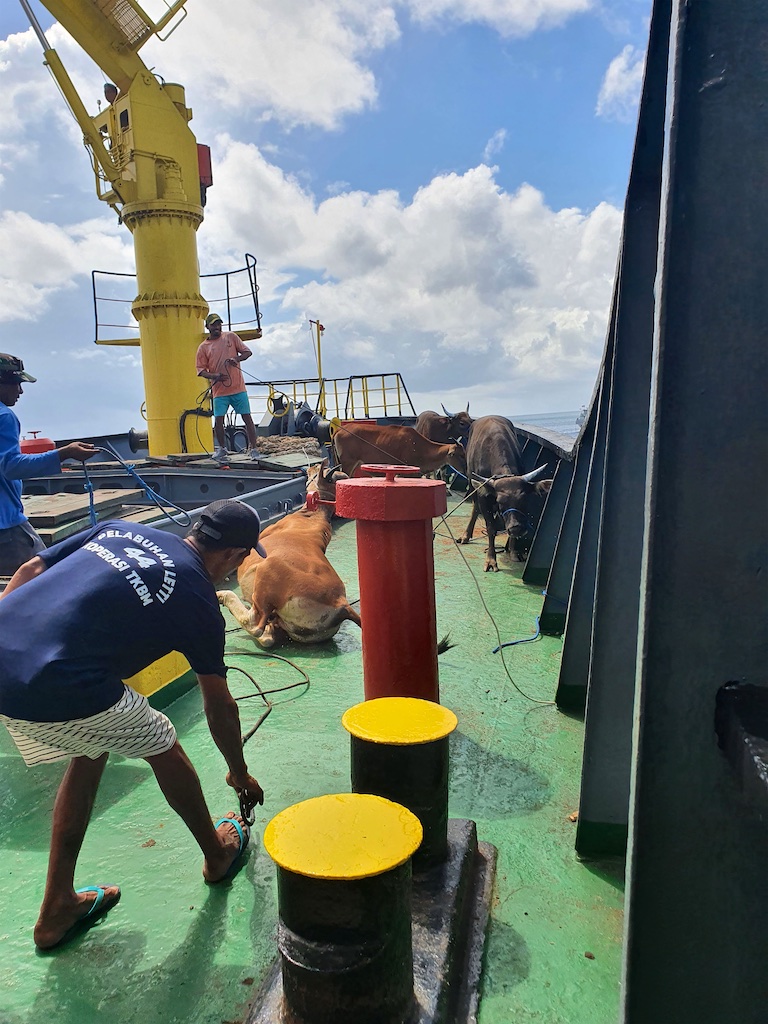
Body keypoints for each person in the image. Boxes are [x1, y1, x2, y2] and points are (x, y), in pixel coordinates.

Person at [0, 498, 268, 950]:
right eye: (241, 559)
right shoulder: (199, 600)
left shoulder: (120, 529)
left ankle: (58, 906)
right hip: (60, 680)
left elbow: (30, 569)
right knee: (163, 742)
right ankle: (217, 854)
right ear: (232, 555)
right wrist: (239, 773)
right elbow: (219, 705)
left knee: (91, 747)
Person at [0, 352, 97, 576]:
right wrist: (64, 453)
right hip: (7, 530)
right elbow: (10, 467)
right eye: (16, 384)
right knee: (45, 579)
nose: (20, 391)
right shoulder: (4, 416)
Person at [196, 313, 260, 463]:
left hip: (238, 389)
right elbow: (200, 370)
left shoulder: (231, 337)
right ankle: (222, 449)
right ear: (207, 327)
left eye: (219, 324)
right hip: (219, 392)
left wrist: (236, 359)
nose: (217, 327)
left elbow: (247, 352)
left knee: (247, 417)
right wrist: (215, 376)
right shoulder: (203, 347)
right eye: (213, 324)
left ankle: (254, 449)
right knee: (219, 420)